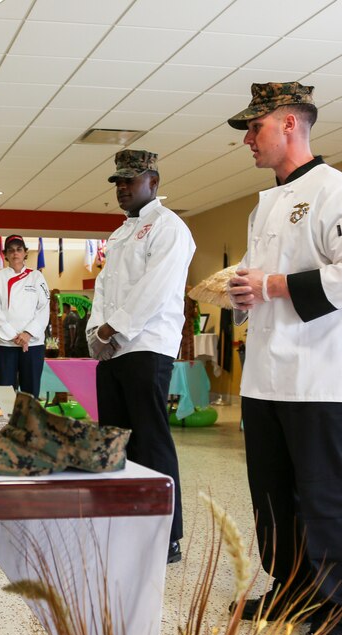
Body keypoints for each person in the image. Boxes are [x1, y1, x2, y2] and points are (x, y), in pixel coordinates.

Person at [225, 82, 342, 635]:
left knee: (323, 498)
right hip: (267, 375)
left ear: (290, 123)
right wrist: (244, 289)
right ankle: (291, 592)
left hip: (319, 375)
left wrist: (270, 285)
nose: (248, 139)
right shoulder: (264, 204)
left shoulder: (340, 192)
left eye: (255, 127)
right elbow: (264, 281)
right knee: (272, 495)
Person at [87, 149, 196, 565]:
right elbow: (103, 289)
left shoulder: (169, 228)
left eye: (130, 180)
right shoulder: (118, 234)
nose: (122, 188)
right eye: (117, 182)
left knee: (151, 441)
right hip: (112, 350)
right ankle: (123, 518)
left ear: (154, 181)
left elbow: (156, 287)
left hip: (147, 347)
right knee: (114, 439)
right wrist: (95, 331)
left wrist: (113, 328)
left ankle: (165, 533)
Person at [0, 235, 50, 396]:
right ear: (5, 254)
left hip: (33, 344)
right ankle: (6, 421)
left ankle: (29, 422)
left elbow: (44, 309)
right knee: (5, 394)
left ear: (25, 253)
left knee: (31, 393)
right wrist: (13, 336)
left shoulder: (37, 277)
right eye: (11, 250)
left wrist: (27, 334)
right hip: (3, 344)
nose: (15, 254)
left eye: (19, 250)